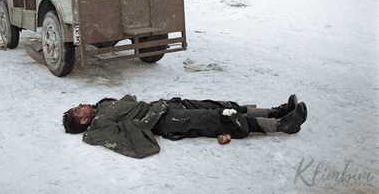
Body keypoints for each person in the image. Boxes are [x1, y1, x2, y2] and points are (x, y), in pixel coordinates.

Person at [63, 94, 307, 158]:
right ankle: (282, 125)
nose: (81, 105)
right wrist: (143, 123)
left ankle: (276, 111)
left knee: (220, 105)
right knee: (221, 118)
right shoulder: (99, 126)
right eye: (77, 110)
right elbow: (128, 140)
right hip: (166, 121)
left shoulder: (101, 106)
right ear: (82, 121)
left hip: (167, 106)